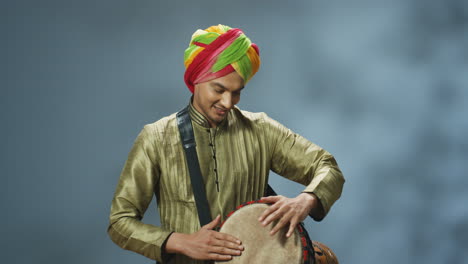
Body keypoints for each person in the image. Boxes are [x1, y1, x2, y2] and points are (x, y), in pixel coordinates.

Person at [108, 24, 345, 264]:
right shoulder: (155, 138)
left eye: (237, 92)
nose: (228, 102)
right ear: (196, 78)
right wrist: (180, 241)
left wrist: (306, 201)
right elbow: (119, 223)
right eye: (219, 89)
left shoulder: (261, 129)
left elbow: (328, 167)